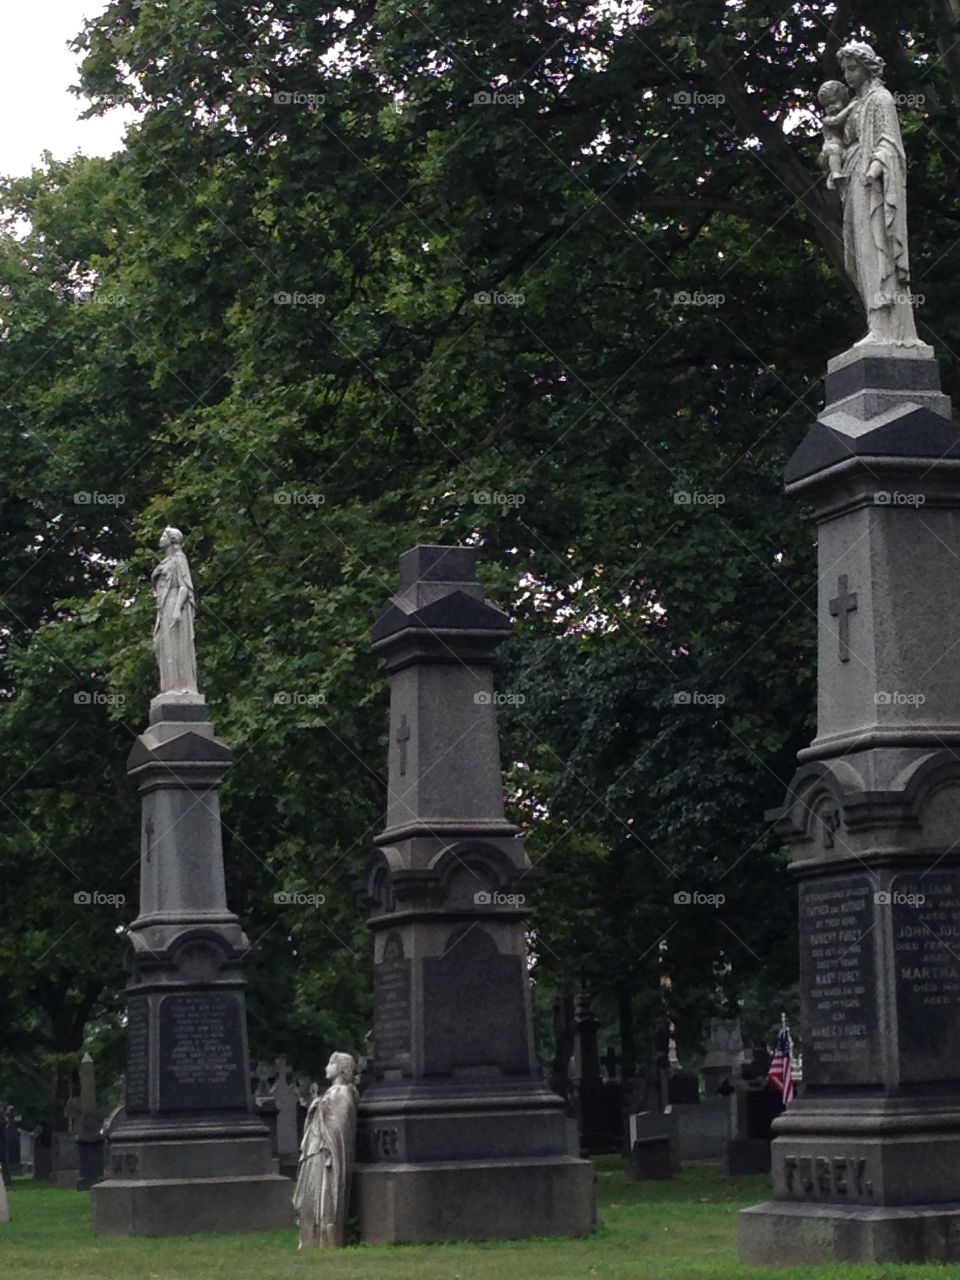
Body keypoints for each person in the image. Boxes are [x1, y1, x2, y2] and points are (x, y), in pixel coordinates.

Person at [293, 1052, 358, 1248]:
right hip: (314, 1150)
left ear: (342, 1068)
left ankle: (325, 1238)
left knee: (323, 1197)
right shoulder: (331, 1094)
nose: (326, 1067)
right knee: (309, 1197)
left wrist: (319, 1108)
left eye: (331, 1063)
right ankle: (311, 1238)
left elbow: (338, 1128)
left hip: (325, 1153)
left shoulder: (342, 1094)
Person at [151, 526, 198, 694]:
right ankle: (170, 686)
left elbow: (184, 587)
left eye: (164, 535)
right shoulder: (166, 561)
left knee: (175, 645)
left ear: (171, 539)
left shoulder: (179, 558)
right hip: (164, 607)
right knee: (162, 645)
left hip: (173, 604)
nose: (161, 537)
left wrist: (177, 609)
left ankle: (179, 686)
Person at [817, 80, 856, 189]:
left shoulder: (846, 115)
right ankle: (835, 174)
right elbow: (836, 121)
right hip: (831, 147)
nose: (831, 108)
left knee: (839, 156)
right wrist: (849, 108)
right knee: (835, 150)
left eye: (833, 102)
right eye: (827, 106)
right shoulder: (827, 119)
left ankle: (833, 176)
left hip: (844, 149)